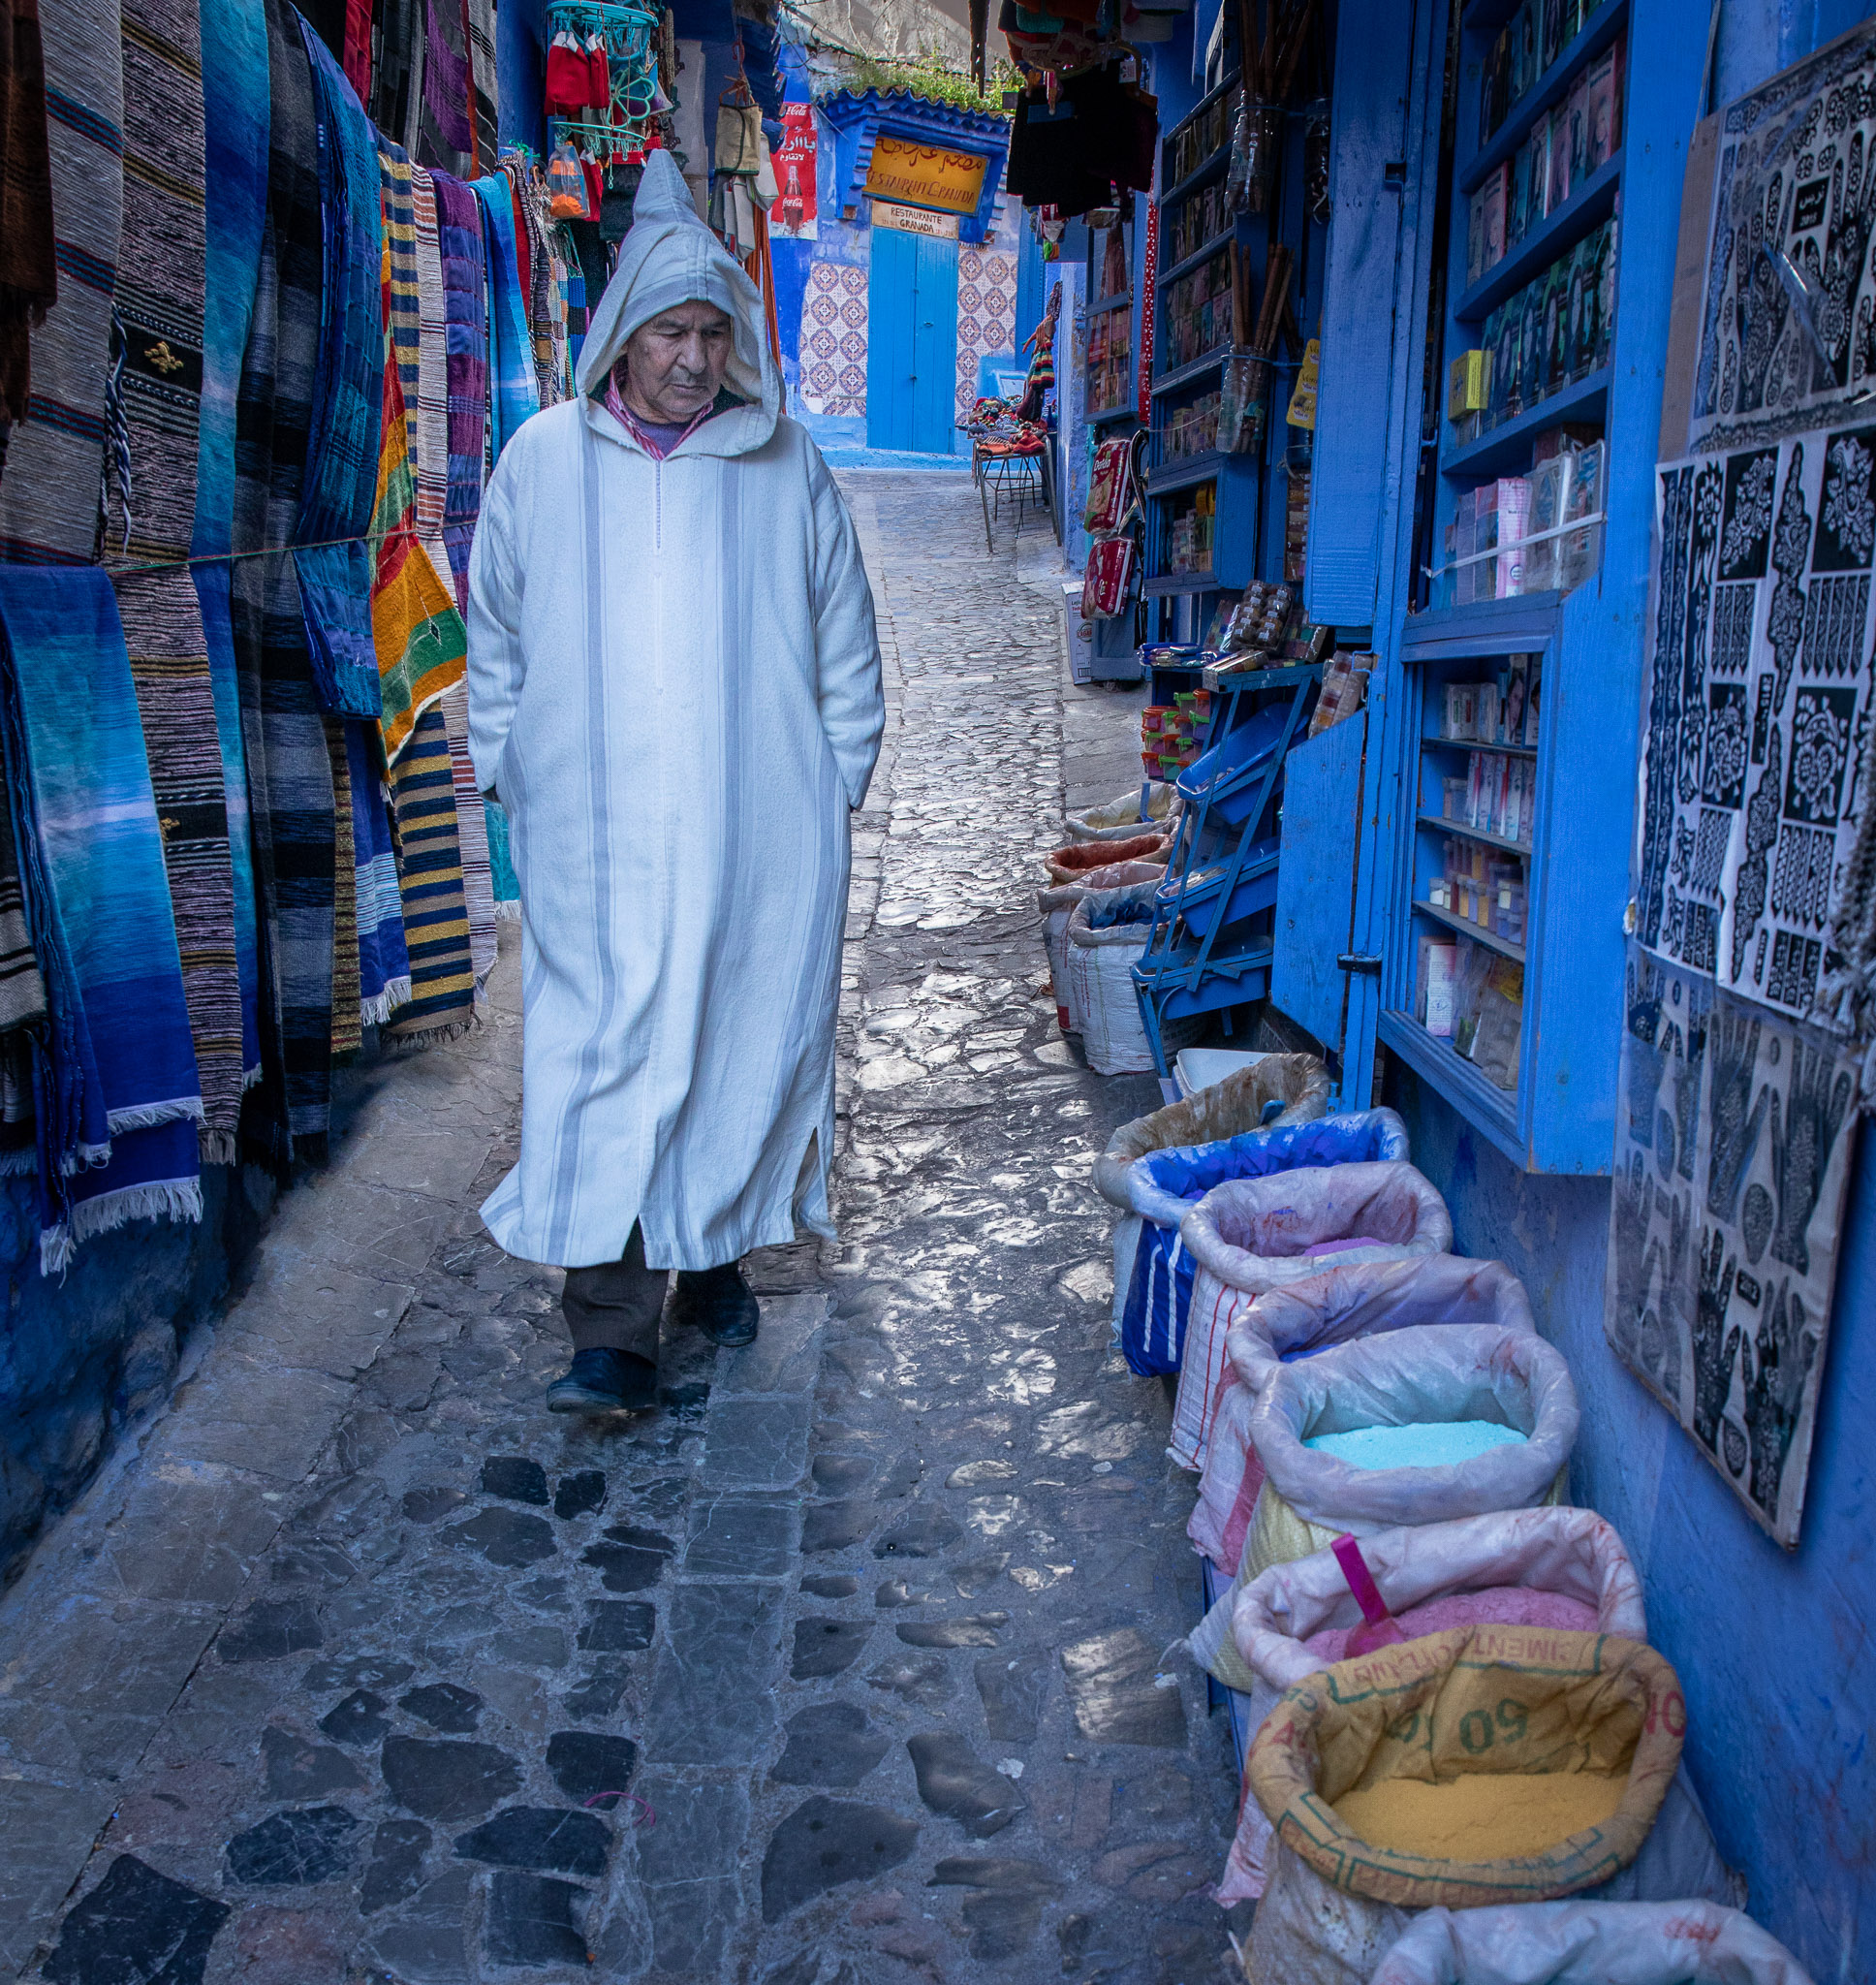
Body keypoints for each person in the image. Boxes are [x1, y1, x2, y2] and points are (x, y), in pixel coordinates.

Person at [466, 151, 885, 1414]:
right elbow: (496, 633)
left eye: (710, 331)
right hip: (592, 844)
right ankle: (607, 1330)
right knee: (595, 1059)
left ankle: (713, 1259)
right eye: (668, 332)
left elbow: (844, 649)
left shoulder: (785, 469)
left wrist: (829, 792)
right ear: (623, 338)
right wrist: (507, 766)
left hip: (752, 841)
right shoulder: (543, 462)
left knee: (731, 1045)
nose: (691, 358)